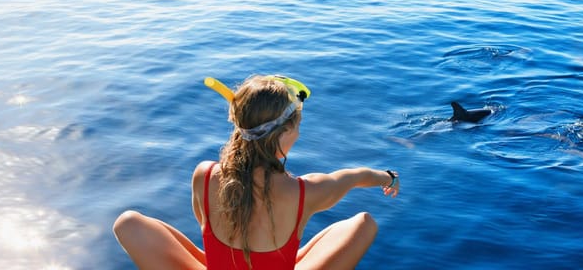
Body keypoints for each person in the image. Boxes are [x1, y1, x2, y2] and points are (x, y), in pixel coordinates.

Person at [113, 74, 400, 270]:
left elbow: (204, 224)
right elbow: (354, 176)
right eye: (297, 126)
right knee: (364, 223)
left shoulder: (204, 174)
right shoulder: (306, 192)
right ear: (285, 133)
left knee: (127, 223)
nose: (299, 132)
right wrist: (389, 177)